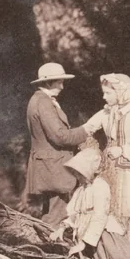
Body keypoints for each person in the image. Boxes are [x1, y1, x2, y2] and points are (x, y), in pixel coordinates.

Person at [59, 147, 130, 259]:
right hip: (85, 233)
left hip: (103, 234)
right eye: (76, 173)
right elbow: (74, 214)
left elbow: (100, 217)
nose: (78, 177)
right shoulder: (80, 191)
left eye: (80, 173)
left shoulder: (100, 186)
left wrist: (84, 243)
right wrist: (63, 227)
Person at [25, 62, 98, 227]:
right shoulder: (43, 102)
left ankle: (46, 247)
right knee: (56, 218)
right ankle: (51, 249)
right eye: (59, 82)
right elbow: (60, 136)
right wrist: (86, 129)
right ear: (48, 82)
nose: (62, 86)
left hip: (48, 167)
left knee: (50, 215)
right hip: (54, 169)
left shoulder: (40, 100)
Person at [91, 73, 130, 221]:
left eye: (108, 93)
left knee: (129, 215)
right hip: (111, 171)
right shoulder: (107, 112)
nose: (104, 97)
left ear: (120, 92)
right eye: (103, 93)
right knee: (108, 213)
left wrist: (122, 150)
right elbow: (87, 128)